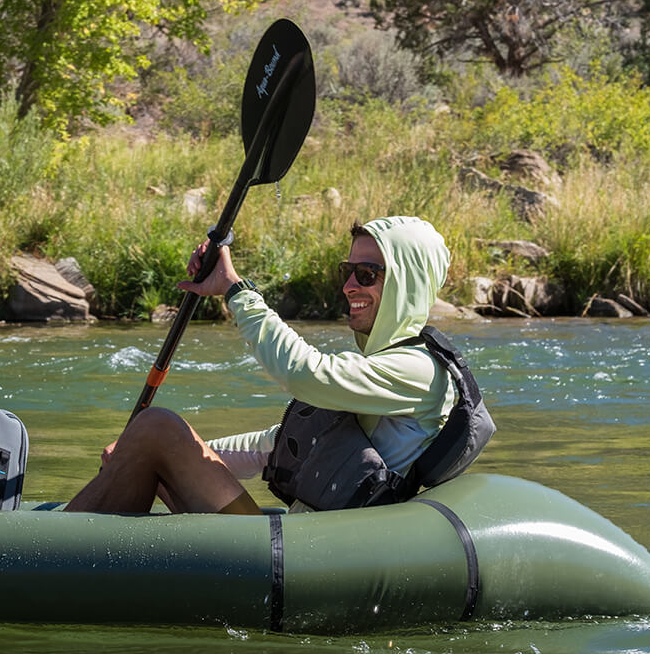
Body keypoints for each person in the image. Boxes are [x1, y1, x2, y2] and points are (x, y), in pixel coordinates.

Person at [65, 216, 455, 515]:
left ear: (408, 283)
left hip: (315, 559)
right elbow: (272, 447)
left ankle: (50, 552)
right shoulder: (377, 367)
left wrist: (236, 291)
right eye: (346, 271)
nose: (349, 285)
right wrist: (173, 453)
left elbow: (303, 374)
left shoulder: (419, 371)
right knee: (149, 439)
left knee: (157, 426)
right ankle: (80, 548)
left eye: (366, 274)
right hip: (302, 538)